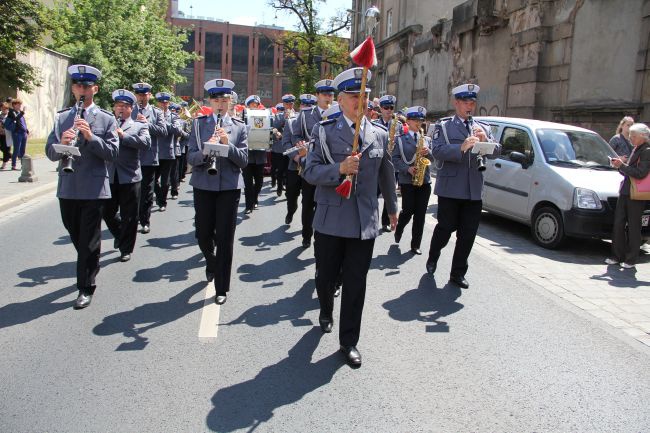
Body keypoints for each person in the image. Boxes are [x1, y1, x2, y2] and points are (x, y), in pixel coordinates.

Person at [303, 67, 398, 367]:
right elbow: (310, 171)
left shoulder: (378, 133)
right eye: (354, 96)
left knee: (356, 283)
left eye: (365, 95)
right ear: (341, 99)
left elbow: (387, 172)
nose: (361, 101)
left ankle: (349, 341)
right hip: (331, 219)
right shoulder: (325, 130)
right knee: (326, 277)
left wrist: (392, 208)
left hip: (363, 221)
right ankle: (326, 309)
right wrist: (340, 170)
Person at [45, 64, 119, 309]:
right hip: (68, 186)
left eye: (87, 86)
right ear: (74, 88)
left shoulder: (106, 118)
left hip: (94, 187)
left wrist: (91, 137)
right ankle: (91, 262)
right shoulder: (62, 117)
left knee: (88, 239)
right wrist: (61, 143)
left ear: (95, 89)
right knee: (76, 234)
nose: (82, 89)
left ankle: (85, 287)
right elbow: (49, 152)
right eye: (78, 85)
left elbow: (112, 153)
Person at [425, 83, 499, 289]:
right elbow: (437, 151)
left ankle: (457, 273)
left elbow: (497, 150)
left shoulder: (483, 126)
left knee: (467, 234)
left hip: (473, 190)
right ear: (456, 103)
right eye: (466, 102)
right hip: (450, 189)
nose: (470, 106)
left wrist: (486, 141)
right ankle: (433, 254)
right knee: (445, 228)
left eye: (472, 102)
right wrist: (461, 147)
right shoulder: (444, 126)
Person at [187, 78, 248, 305]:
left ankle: (222, 286)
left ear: (230, 102)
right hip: (203, 184)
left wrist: (226, 144)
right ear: (210, 102)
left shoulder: (240, 126)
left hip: (229, 188)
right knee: (202, 234)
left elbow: (243, 161)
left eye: (225, 99)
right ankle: (211, 262)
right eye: (216, 100)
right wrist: (206, 150)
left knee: (225, 237)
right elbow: (190, 157)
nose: (221, 104)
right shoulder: (198, 124)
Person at [102, 89, 151, 262]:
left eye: (124, 106)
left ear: (131, 109)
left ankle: (126, 249)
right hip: (110, 175)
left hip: (130, 176)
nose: (120, 109)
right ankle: (120, 233)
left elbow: (146, 143)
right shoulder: (108, 124)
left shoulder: (139, 125)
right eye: (118, 106)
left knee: (130, 215)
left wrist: (124, 136)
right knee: (107, 212)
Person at [291, 84, 334, 248]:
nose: (328, 98)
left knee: (326, 203)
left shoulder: (337, 113)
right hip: (310, 165)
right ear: (317, 95)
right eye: (324, 94)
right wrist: (300, 145)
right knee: (308, 203)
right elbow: (296, 135)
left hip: (329, 166)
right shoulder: (305, 114)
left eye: (330, 94)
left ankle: (321, 237)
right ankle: (306, 235)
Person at [606, 123, 650, 269]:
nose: (630, 138)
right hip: (625, 191)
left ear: (643, 137)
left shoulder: (647, 151)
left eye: (634, 136)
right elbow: (629, 171)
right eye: (630, 135)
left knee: (633, 226)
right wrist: (619, 165)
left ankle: (631, 259)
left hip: (636, 194)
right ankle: (616, 256)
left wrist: (622, 166)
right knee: (618, 223)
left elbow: (640, 173)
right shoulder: (636, 148)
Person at [392, 106, 433, 255]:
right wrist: (407, 169)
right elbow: (394, 159)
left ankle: (415, 244)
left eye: (421, 120)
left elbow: (434, 160)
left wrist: (429, 152)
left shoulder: (427, 139)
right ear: (408, 121)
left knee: (420, 214)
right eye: (415, 120)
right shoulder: (400, 140)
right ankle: (400, 228)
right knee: (408, 210)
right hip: (408, 180)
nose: (418, 123)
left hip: (425, 180)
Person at [131, 82, 167, 234]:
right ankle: (132, 219)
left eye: (145, 94)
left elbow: (163, 131)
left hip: (149, 157)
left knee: (146, 192)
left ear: (149, 95)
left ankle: (145, 221)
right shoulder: (129, 110)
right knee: (132, 193)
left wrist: (147, 124)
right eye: (139, 94)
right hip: (131, 157)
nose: (142, 97)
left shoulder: (156, 112)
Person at [373, 94, 402, 231]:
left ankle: (386, 221)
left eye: (391, 108)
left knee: (389, 193)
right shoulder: (374, 124)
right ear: (380, 108)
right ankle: (372, 218)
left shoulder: (399, 126)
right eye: (386, 107)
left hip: (393, 165)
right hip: (377, 164)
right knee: (374, 192)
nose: (389, 110)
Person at [153, 92, 183, 211]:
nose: (163, 104)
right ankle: (160, 197)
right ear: (157, 103)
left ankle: (163, 202)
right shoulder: (152, 114)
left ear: (168, 103)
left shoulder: (174, 116)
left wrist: (163, 123)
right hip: (154, 152)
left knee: (165, 181)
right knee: (152, 180)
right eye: (161, 102)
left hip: (167, 152)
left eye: (165, 102)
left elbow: (178, 130)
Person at [242, 94, 266, 214]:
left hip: (260, 155)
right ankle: (248, 205)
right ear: (248, 106)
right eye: (252, 105)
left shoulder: (264, 116)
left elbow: (268, 130)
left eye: (256, 105)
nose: (254, 106)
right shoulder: (242, 117)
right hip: (247, 155)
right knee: (247, 183)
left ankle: (255, 198)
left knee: (259, 182)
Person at [270, 94, 295, 197]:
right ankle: (279, 186)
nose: (289, 105)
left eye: (291, 103)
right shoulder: (278, 116)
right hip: (280, 148)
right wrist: (284, 118)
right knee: (280, 170)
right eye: (287, 103)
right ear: (284, 104)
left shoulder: (297, 115)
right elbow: (273, 128)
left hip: (292, 148)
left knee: (289, 171)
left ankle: (288, 190)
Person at [5, 98, 29, 170]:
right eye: (18, 105)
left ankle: (23, 164)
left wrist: (26, 129)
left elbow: (22, 122)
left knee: (23, 150)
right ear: (14, 105)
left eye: (20, 105)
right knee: (16, 149)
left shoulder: (19, 112)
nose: (20, 106)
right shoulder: (12, 112)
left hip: (23, 133)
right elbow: (16, 118)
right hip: (17, 133)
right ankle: (13, 165)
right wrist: (22, 112)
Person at [0, 102, 11, 169]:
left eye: (5, 109)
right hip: (0, 134)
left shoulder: (9, 116)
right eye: (2, 108)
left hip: (7, 135)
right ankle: (11, 155)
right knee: (3, 148)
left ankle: (4, 164)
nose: (4, 110)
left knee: (6, 149)